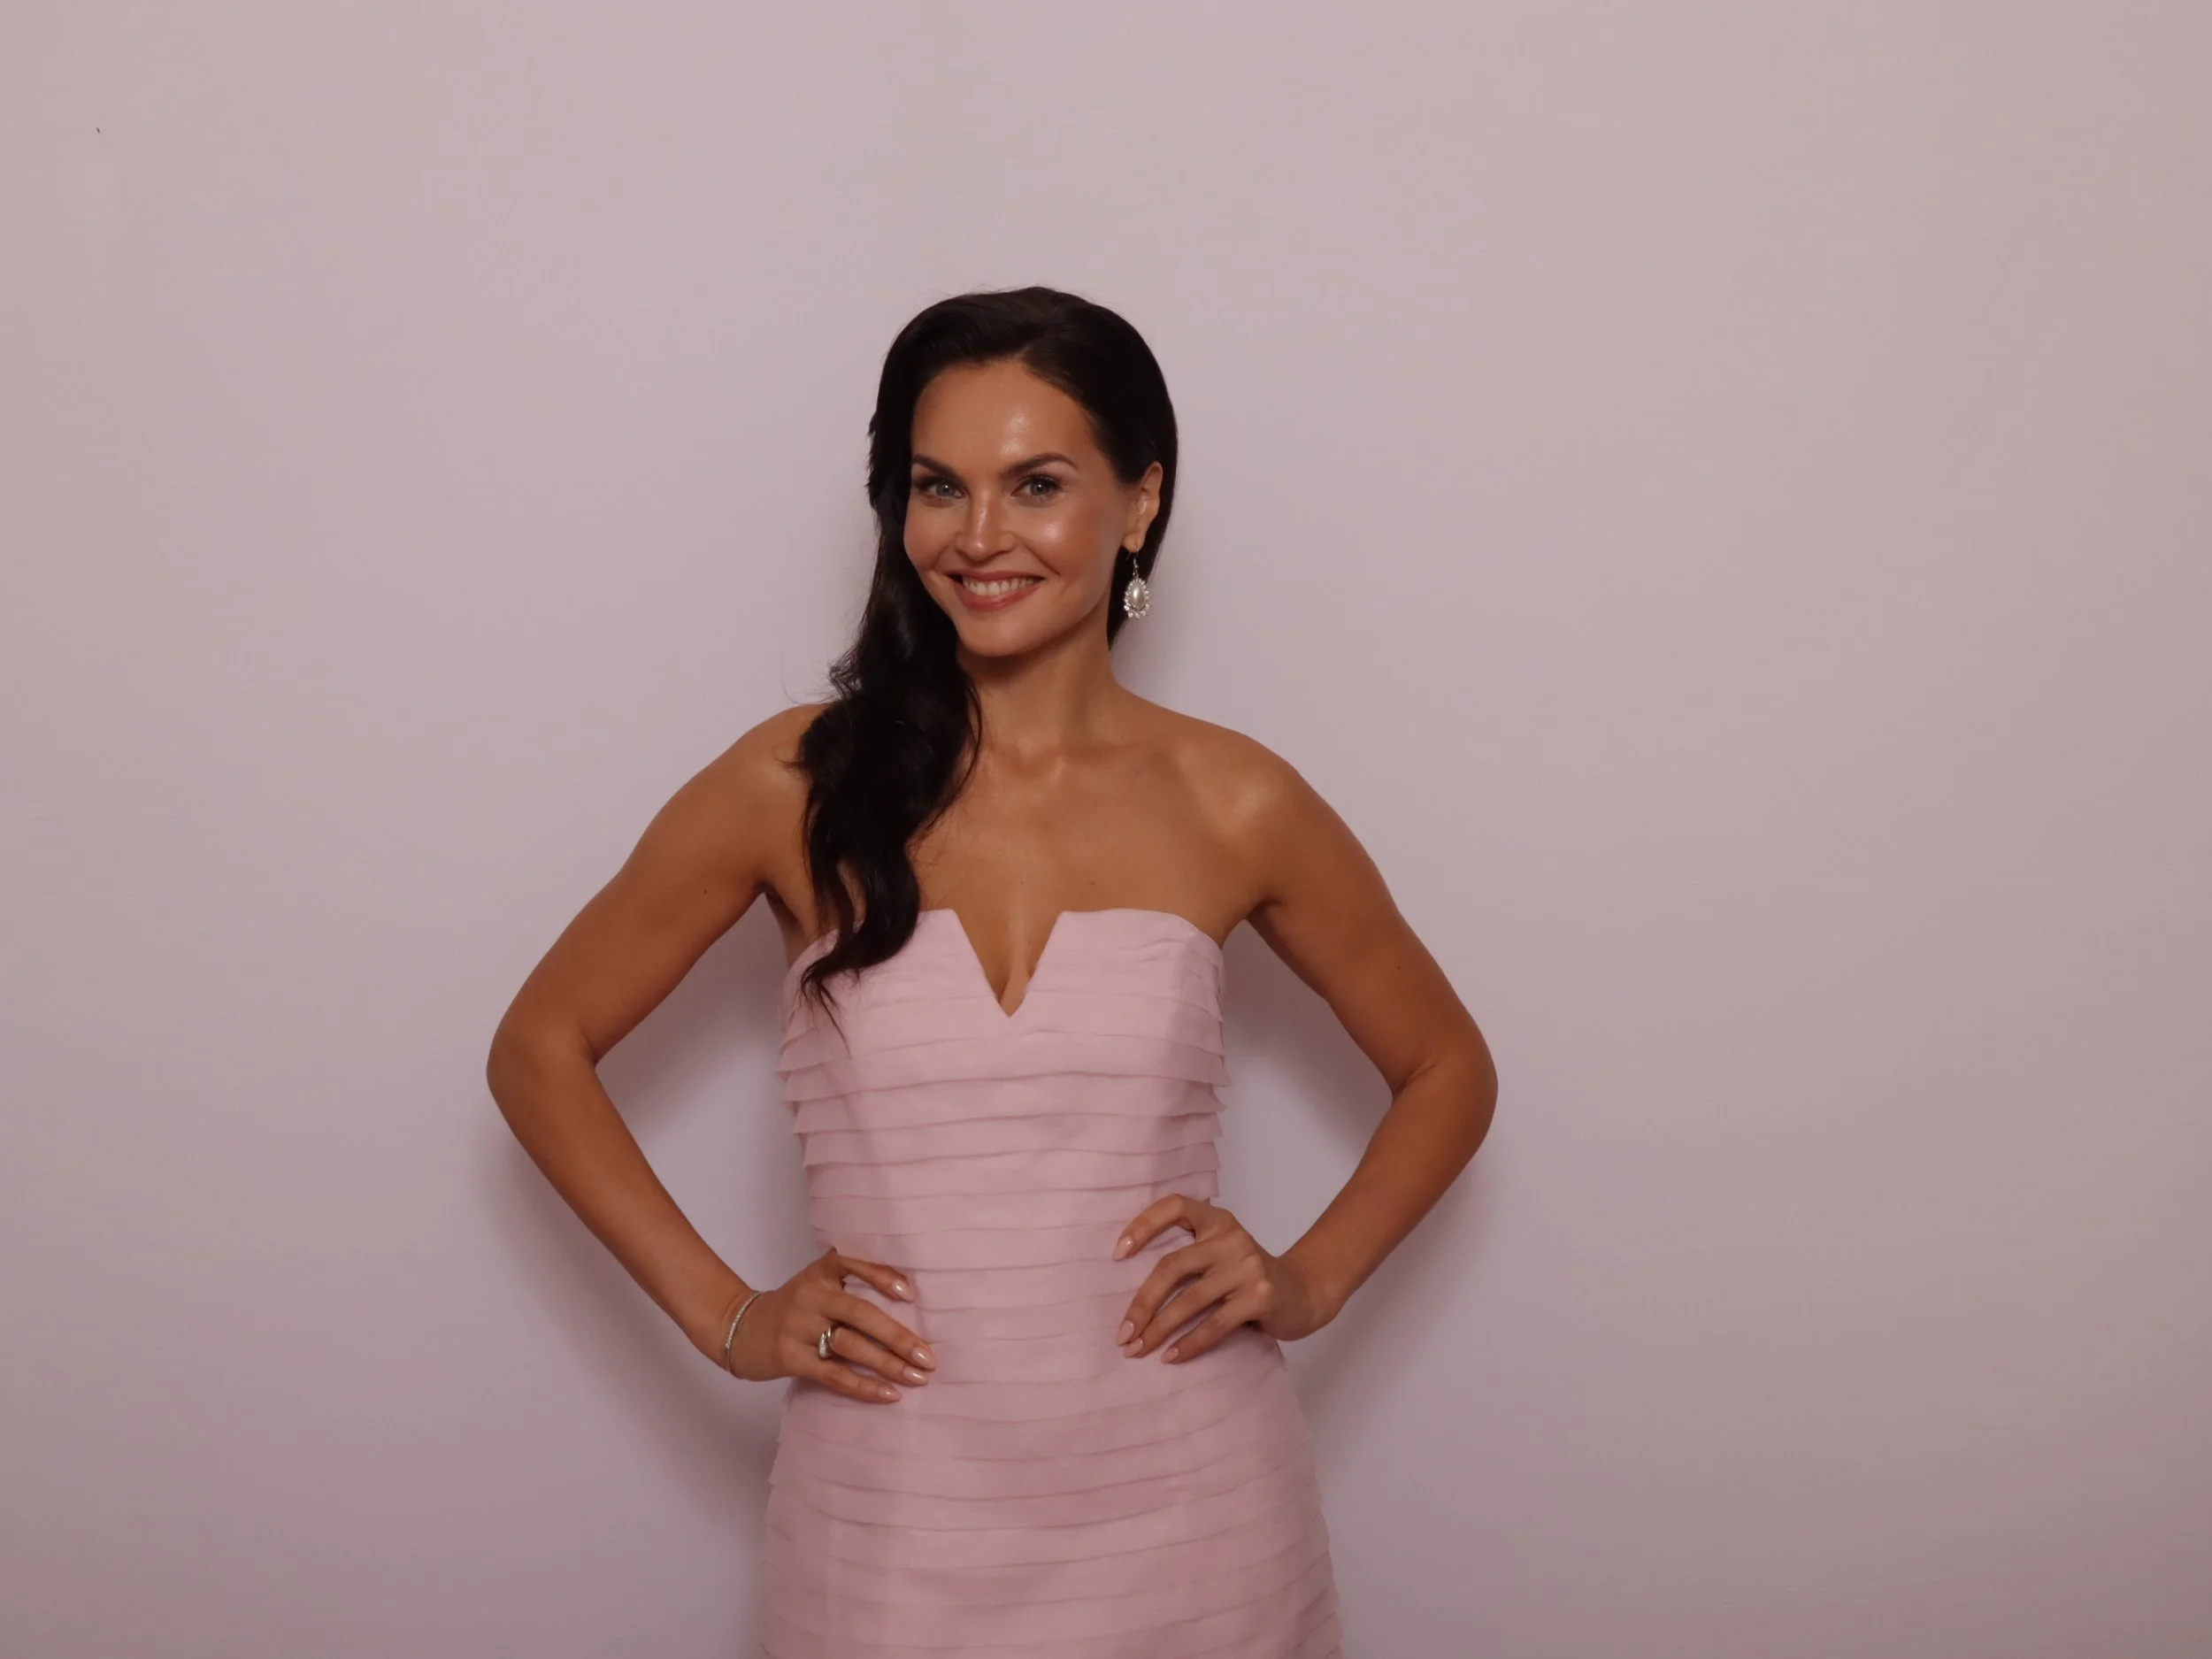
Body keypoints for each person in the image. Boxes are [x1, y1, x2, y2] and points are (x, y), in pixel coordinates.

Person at [487, 285, 1499, 1655]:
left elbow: (1447, 1066)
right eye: (937, 486)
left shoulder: (1235, 800)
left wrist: (1309, 1278)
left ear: (1141, 501)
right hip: (890, 1514)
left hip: (1194, 1509)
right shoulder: (794, 785)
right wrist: (730, 1316)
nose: (977, 535)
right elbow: (539, 1045)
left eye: (1037, 484)